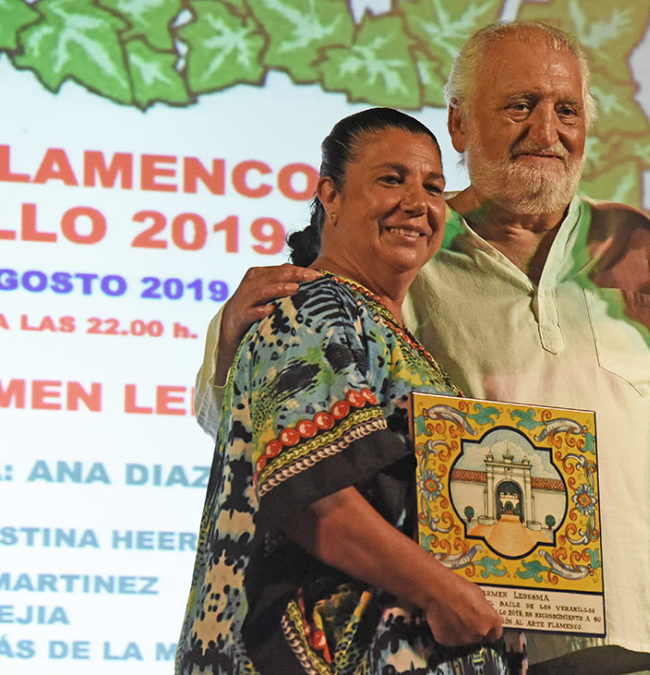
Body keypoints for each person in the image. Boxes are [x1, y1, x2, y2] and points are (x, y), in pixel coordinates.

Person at [193, 22, 650, 675]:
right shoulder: (406, 253)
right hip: (475, 642)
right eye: (519, 105)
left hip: (640, 643)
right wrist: (227, 346)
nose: (546, 129)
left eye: (567, 109)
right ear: (459, 124)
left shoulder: (642, 249)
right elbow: (268, 429)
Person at [176, 108, 523, 674]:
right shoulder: (313, 307)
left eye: (433, 187)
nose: (418, 202)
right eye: (392, 179)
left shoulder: (386, 329)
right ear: (330, 196)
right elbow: (315, 500)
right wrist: (442, 591)